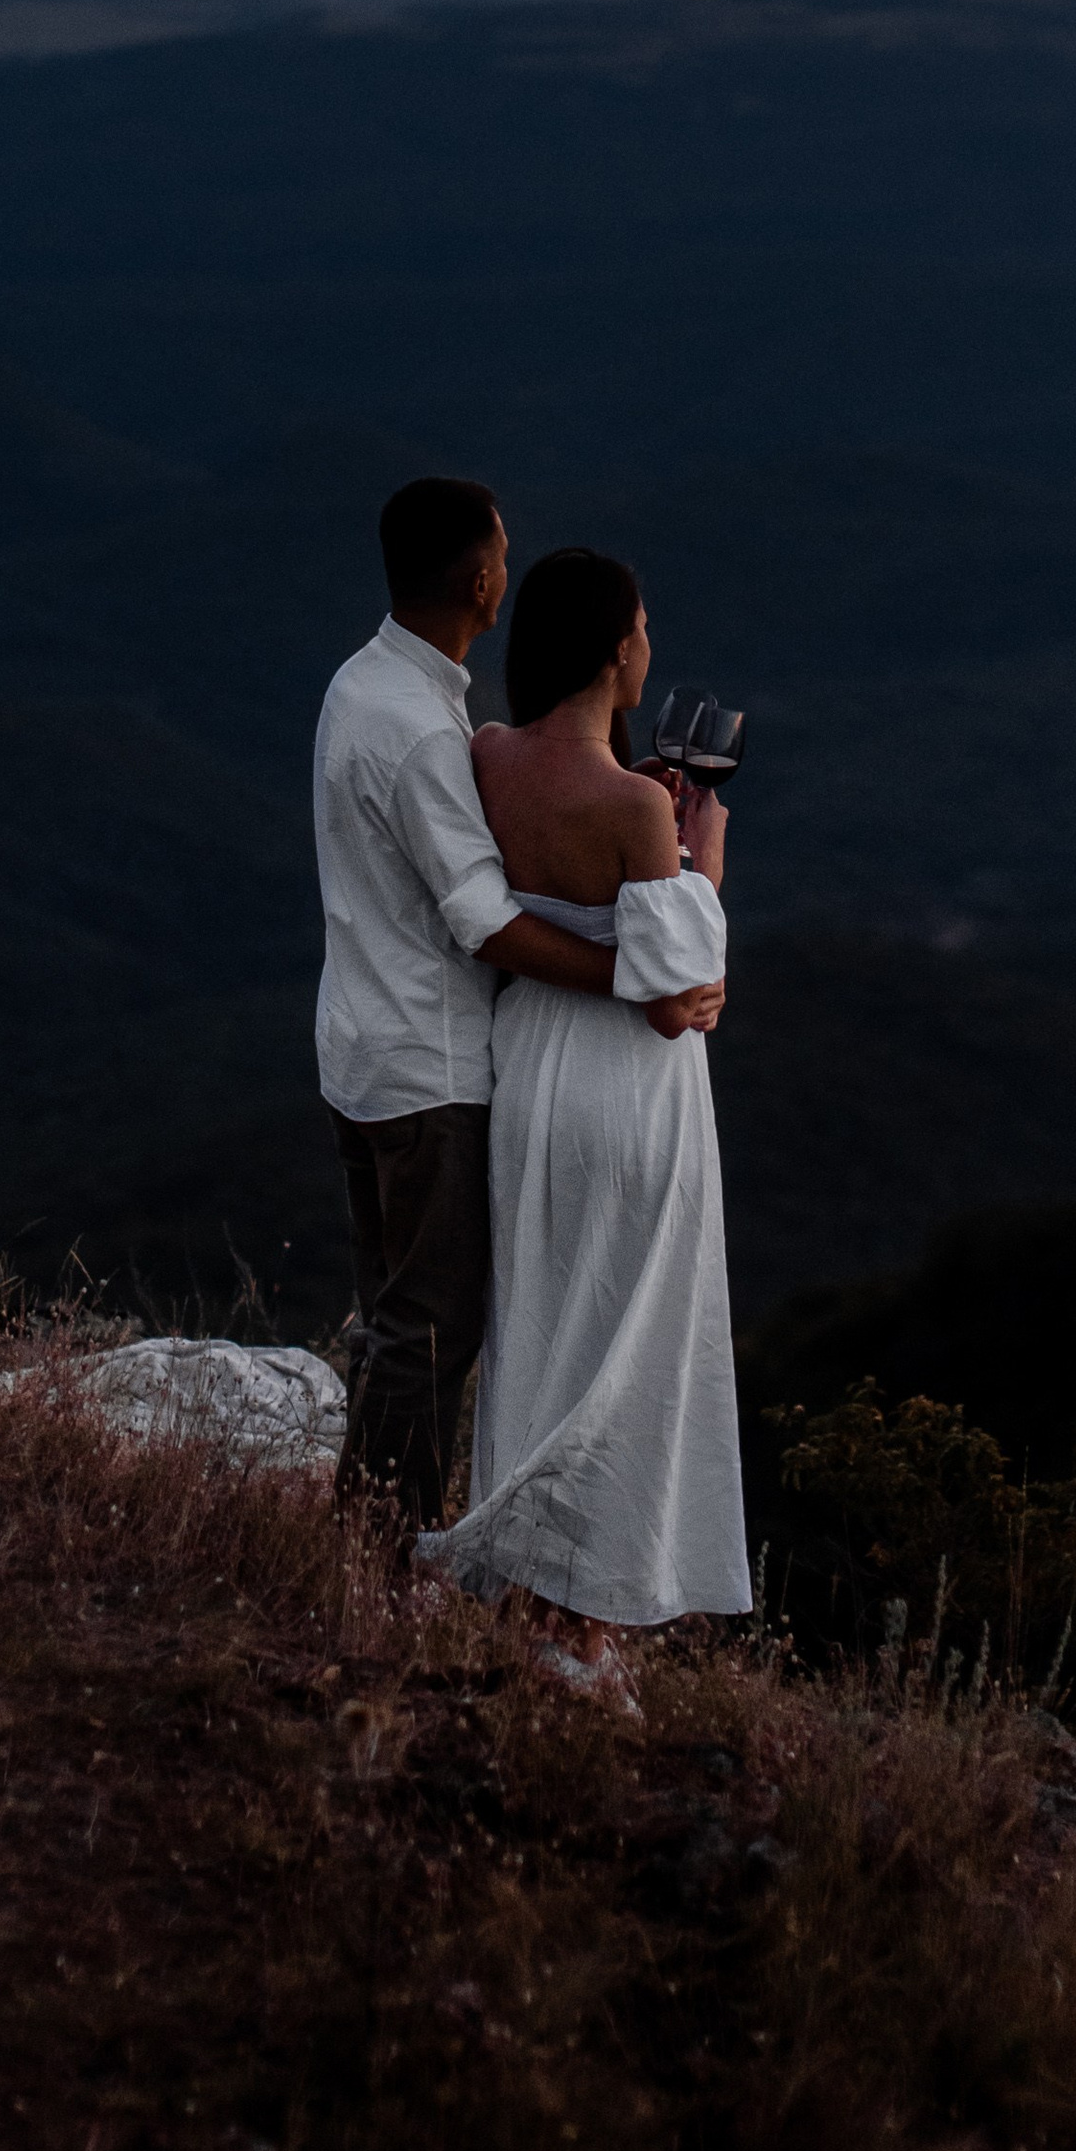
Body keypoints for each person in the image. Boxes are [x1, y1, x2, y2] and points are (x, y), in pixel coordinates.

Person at [414, 545, 749, 1702]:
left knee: (544, 1321)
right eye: (643, 625)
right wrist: (701, 867)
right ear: (620, 651)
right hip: (624, 1091)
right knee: (628, 1340)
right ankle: (582, 1627)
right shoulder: (637, 811)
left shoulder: (487, 757)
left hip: (529, 1068)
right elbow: (671, 1004)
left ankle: (520, 1587)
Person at [315, 478, 659, 1526]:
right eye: (503, 554)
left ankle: (358, 1541)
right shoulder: (422, 731)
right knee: (431, 1329)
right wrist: (633, 977)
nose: (508, 568)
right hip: (432, 1066)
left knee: (393, 1319)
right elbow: (480, 917)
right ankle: (383, 1555)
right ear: (480, 580)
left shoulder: (360, 682)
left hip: (358, 1047)